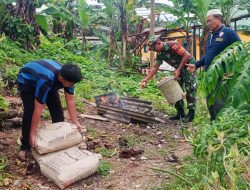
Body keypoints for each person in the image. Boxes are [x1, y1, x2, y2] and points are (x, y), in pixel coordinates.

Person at [17, 59, 85, 160]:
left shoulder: (68, 77)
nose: (72, 85)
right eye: (71, 84)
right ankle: (25, 146)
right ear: (62, 79)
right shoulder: (47, 80)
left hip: (47, 80)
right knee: (30, 112)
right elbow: (38, 108)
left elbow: (70, 100)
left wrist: (75, 122)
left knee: (57, 111)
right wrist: (32, 133)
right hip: (27, 81)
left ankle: (58, 141)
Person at [186, 9, 241, 120]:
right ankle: (213, 120)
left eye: (210, 21)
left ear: (218, 18)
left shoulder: (228, 33)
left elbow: (240, 50)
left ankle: (221, 122)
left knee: (219, 100)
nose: (208, 24)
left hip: (223, 74)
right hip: (210, 74)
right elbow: (208, 54)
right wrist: (196, 65)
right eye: (207, 21)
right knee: (210, 98)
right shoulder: (212, 36)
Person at [141, 36, 197, 122]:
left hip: (188, 66)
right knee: (175, 89)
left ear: (159, 43)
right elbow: (155, 67)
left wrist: (178, 70)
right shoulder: (160, 53)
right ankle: (180, 112)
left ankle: (191, 114)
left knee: (190, 88)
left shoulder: (173, 45)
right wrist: (146, 79)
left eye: (153, 47)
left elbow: (187, 55)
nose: (153, 50)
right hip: (178, 69)